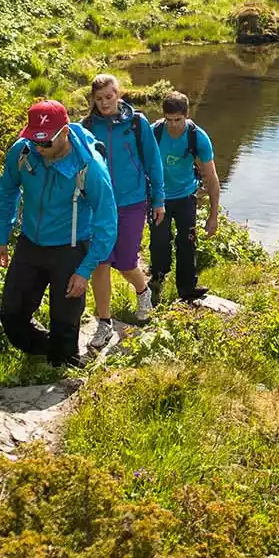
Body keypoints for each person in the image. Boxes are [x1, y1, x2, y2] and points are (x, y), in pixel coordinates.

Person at [0, 99, 116, 368]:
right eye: (34, 140)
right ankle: (47, 349)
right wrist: (2, 236)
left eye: (46, 142)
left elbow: (107, 223)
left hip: (70, 248)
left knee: (65, 324)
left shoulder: (90, 168)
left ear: (65, 133)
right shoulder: (23, 152)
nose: (39, 147)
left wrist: (85, 270)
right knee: (11, 316)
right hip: (30, 244)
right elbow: (6, 191)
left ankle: (64, 361)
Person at [81, 73, 163, 354]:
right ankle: (104, 323)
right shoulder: (87, 127)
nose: (105, 102)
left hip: (133, 201)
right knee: (100, 262)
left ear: (119, 94)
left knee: (127, 262)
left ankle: (143, 291)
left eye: (109, 96)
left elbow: (153, 162)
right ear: (93, 100)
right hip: (99, 204)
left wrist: (159, 200)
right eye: (99, 98)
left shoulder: (137, 124)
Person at [151, 91, 222, 304]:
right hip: (159, 197)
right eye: (168, 120)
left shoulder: (197, 137)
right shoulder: (155, 133)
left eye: (178, 120)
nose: (173, 125)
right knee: (159, 242)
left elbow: (211, 177)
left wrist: (213, 216)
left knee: (187, 241)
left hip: (185, 196)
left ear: (187, 115)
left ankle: (187, 288)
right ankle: (157, 280)